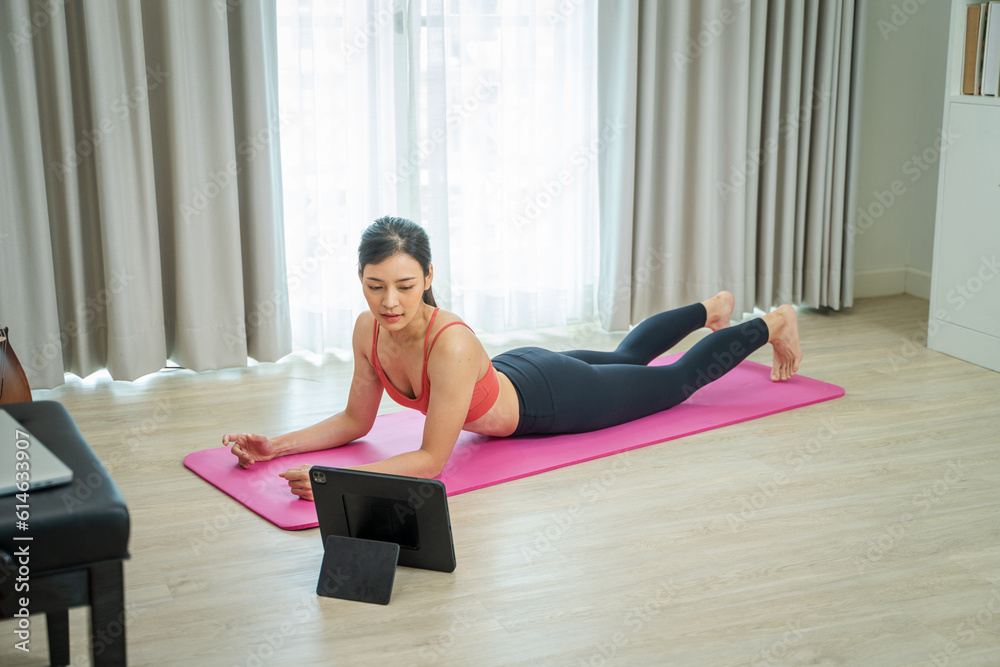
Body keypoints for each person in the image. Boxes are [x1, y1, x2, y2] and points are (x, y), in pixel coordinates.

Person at [223, 216, 802, 501]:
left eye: (404, 284)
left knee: (674, 382)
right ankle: (711, 307)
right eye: (375, 286)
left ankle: (774, 320)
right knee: (628, 355)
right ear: (361, 281)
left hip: (551, 401)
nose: (389, 301)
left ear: (428, 277)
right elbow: (357, 420)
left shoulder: (447, 344)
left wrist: (334, 480)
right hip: (522, 370)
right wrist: (275, 446)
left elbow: (430, 462)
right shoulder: (365, 330)